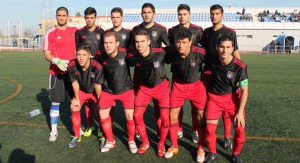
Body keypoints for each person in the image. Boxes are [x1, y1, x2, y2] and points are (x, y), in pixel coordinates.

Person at [201, 4, 241, 150]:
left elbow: (235, 51)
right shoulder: (206, 32)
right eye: (212, 14)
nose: (214, 16)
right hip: (208, 73)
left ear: (222, 15)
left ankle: (227, 137)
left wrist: (239, 72)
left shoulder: (230, 32)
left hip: (224, 74)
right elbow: (202, 52)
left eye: (217, 13)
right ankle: (207, 134)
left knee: (226, 109)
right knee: (208, 106)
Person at [164, 28, 206, 162]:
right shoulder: (171, 51)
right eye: (177, 42)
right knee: (172, 114)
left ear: (190, 41)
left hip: (197, 87)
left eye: (183, 42)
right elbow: (156, 56)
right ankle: (174, 146)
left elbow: (215, 63)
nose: (180, 45)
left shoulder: (200, 52)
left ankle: (200, 148)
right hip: (178, 86)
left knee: (200, 116)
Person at [204, 36, 248, 163]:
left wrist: (240, 112)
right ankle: (212, 152)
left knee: (240, 131)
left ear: (233, 49)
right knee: (209, 129)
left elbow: (245, 90)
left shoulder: (240, 67)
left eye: (228, 47)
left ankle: (235, 154)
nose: (224, 50)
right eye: (222, 47)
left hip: (233, 100)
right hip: (214, 99)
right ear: (217, 48)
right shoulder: (211, 60)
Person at [127, 29, 170, 156]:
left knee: (165, 119)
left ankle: (161, 143)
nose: (139, 44)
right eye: (137, 42)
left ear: (149, 42)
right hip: (145, 89)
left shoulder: (161, 52)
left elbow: (175, 52)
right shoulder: (132, 56)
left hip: (162, 88)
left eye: (142, 41)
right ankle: (145, 142)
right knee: (137, 116)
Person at [132, 2, 170, 139]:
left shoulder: (160, 29)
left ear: (154, 14)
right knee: (138, 100)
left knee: (157, 104)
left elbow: (169, 47)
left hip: (155, 71)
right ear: (141, 14)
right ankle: (137, 129)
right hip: (140, 70)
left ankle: (160, 129)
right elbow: (132, 48)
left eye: (149, 12)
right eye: (144, 12)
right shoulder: (135, 29)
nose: (146, 14)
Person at [168, 3, 204, 143]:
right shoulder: (171, 31)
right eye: (179, 14)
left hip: (195, 73)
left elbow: (203, 50)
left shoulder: (198, 30)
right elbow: (170, 49)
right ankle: (179, 128)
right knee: (177, 106)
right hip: (178, 73)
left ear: (189, 15)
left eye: (184, 14)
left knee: (196, 107)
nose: (182, 17)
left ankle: (195, 130)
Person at [95, 32, 136, 153]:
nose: (108, 46)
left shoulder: (126, 53)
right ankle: (111, 140)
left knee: (129, 116)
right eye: (105, 43)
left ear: (117, 43)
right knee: (102, 115)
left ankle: (131, 140)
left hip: (126, 89)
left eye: (111, 43)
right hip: (108, 90)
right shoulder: (100, 54)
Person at [43, 7, 78, 142]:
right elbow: (46, 53)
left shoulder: (74, 31)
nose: (62, 17)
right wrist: (56, 60)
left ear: (68, 16)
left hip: (71, 73)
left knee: (74, 101)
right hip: (56, 72)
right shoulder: (50, 33)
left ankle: (77, 128)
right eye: (59, 15)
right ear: (56, 16)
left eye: (64, 15)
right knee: (55, 102)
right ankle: (54, 130)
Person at [75, 7, 104, 138]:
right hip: (85, 72)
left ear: (95, 18)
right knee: (88, 102)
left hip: (99, 71)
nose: (89, 20)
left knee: (101, 100)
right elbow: (77, 52)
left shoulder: (101, 32)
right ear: (84, 18)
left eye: (91, 17)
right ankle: (90, 125)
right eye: (87, 18)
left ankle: (102, 127)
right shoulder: (80, 33)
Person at [67, 44, 104, 148]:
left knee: (101, 109)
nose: (81, 57)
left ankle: (102, 133)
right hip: (82, 91)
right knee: (75, 107)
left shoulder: (97, 66)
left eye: (84, 54)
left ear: (90, 55)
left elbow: (97, 85)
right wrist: (77, 99)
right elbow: (74, 83)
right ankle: (76, 135)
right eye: (78, 54)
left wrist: (100, 100)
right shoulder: (71, 65)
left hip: (94, 91)